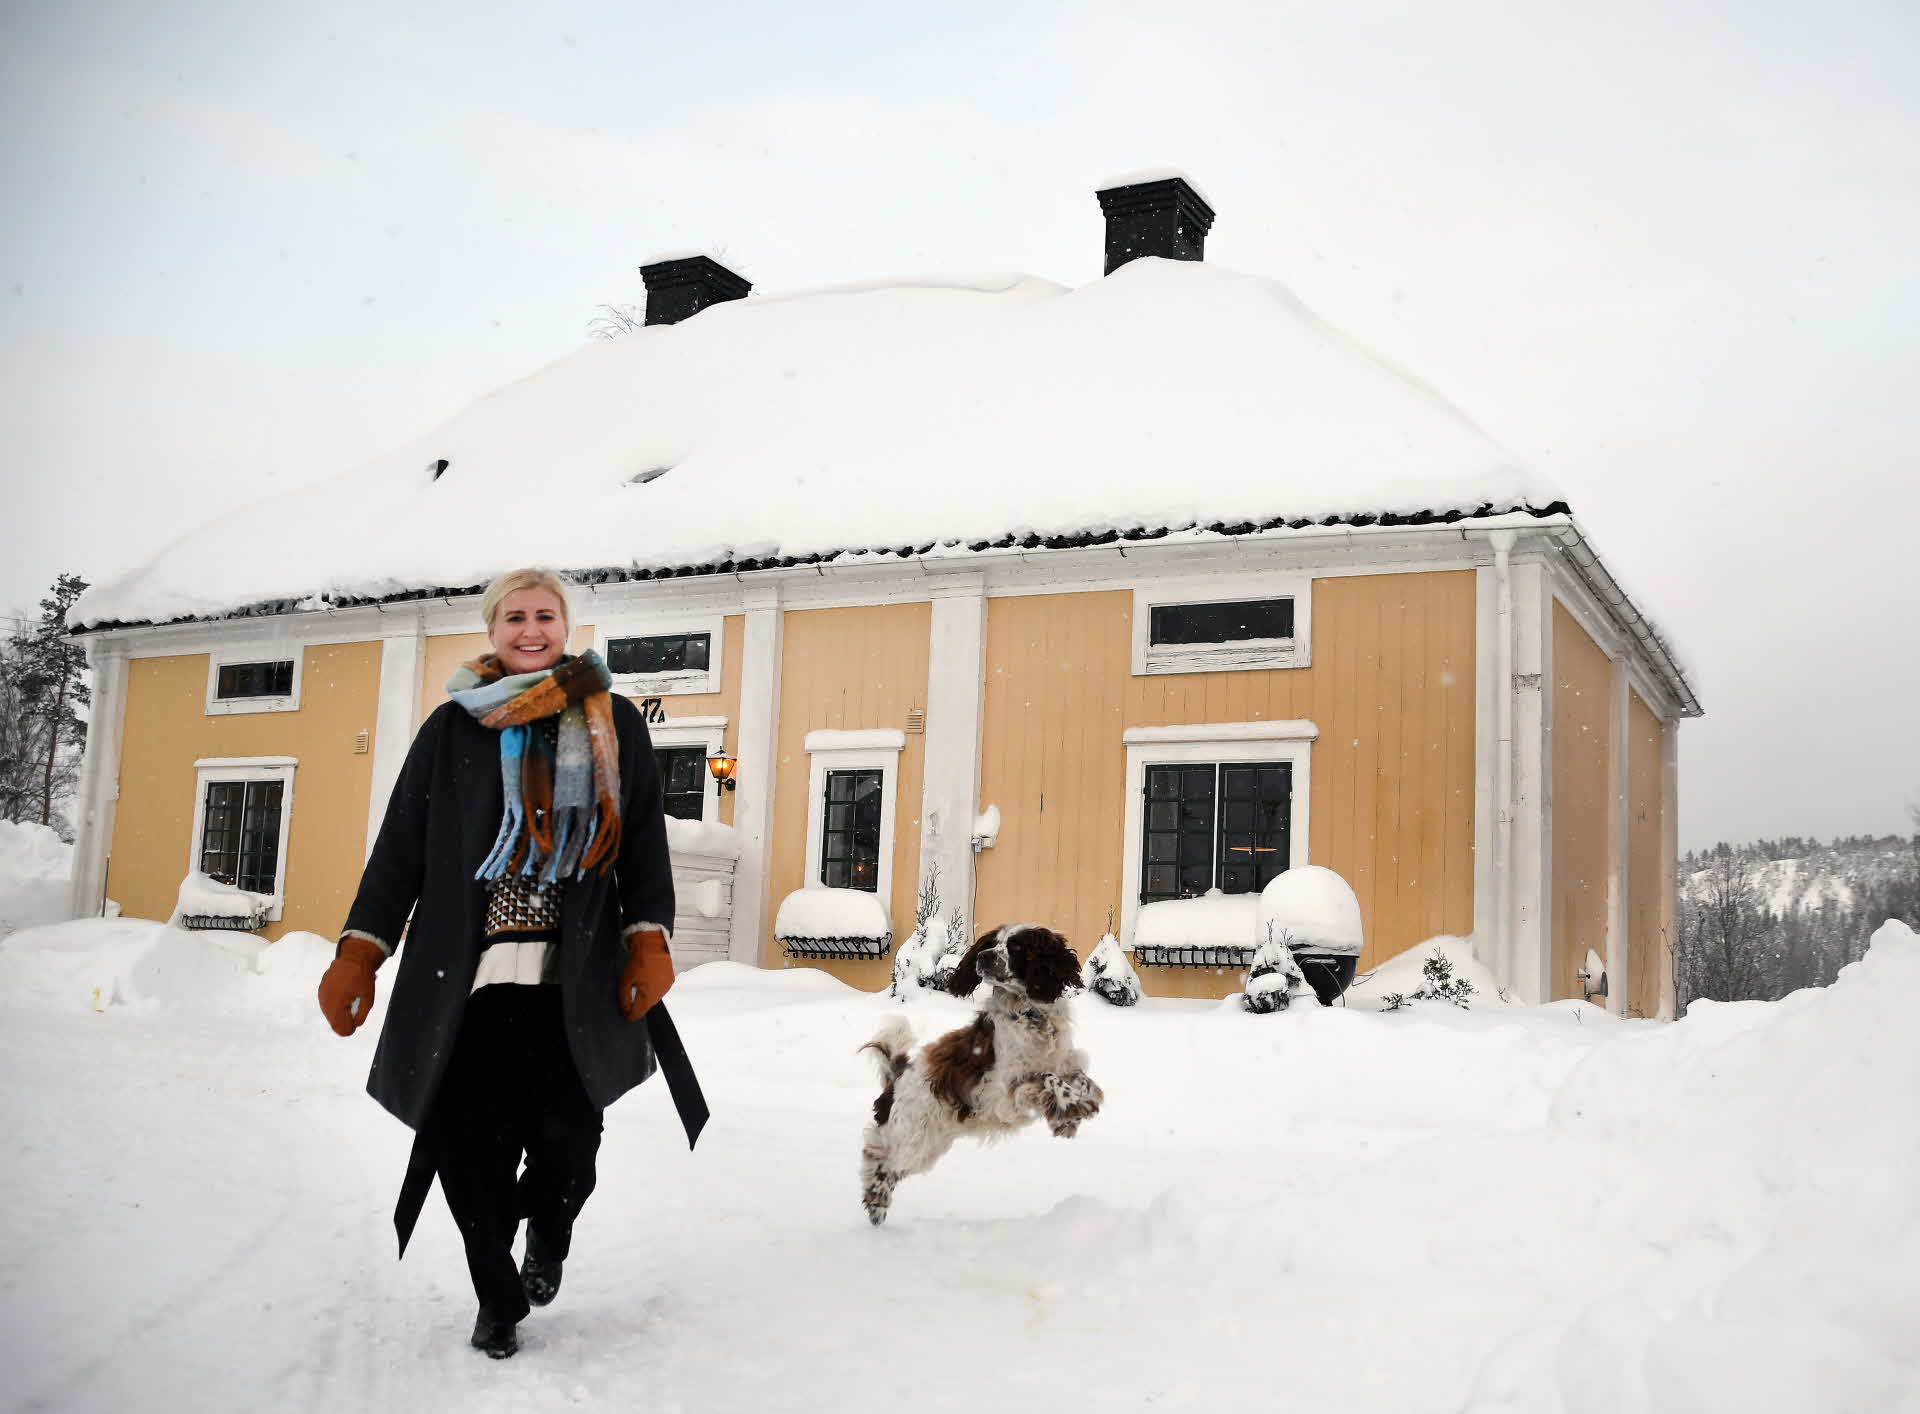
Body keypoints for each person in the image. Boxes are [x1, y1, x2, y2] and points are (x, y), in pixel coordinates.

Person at [317, 567, 706, 1360]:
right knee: (468, 1158)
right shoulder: (451, 729)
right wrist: (362, 949)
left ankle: (551, 1234)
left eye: (546, 616)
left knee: (570, 1151)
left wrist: (648, 934)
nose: (532, 630)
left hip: (571, 988)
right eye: (515, 618)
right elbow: (401, 852)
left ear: (567, 627)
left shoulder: (614, 721)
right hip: (465, 991)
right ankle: (496, 1296)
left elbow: (639, 842)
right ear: (492, 631)